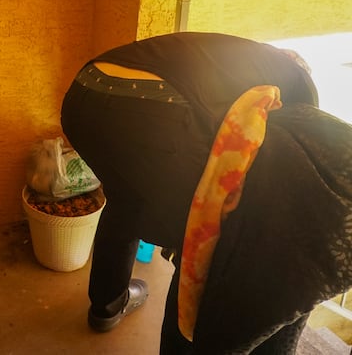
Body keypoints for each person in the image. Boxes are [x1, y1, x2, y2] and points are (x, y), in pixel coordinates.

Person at [61, 31, 352, 353]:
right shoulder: (296, 83)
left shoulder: (229, 57)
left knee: (125, 201)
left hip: (82, 96)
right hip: (151, 107)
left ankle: (106, 305)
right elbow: (292, 150)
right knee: (196, 243)